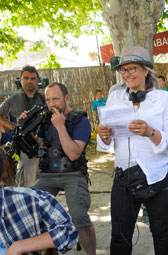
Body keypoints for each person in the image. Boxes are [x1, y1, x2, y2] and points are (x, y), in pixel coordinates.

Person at [97, 45, 168, 255]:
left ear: (146, 70)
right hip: (123, 177)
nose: (127, 74)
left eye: (132, 68)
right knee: (119, 237)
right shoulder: (115, 98)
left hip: (157, 177)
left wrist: (150, 132)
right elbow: (106, 144)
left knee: (163, 235)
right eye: (123, 70)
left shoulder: (163, 99)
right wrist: (104, 136)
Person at [19, 82, 96, 255]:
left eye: (56, 99)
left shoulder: (80, 120)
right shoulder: (46, 120)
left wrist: (60, 126)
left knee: (79, 216)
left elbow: (74, 154)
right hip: (48, 175)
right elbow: (38, 143)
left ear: (66, 98)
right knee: (27, 205)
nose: (51, 104)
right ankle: (47, 248)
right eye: (48, 100)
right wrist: (27, 126)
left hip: (73, 174)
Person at [0, 150, 78, 255]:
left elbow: (69, 231)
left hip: (65, 171)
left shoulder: (31, 200)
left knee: (80, 214)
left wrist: (20, 246)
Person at [0, 65, 45, 187]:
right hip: (26, 146)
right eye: (26, 78)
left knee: (48, 183)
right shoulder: (13, 99)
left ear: (37, 80)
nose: (29, 81)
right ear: (20, 80)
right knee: (26, 185)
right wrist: (15, 128)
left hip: (46, 144)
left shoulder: (45, 98)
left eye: (33, 78)